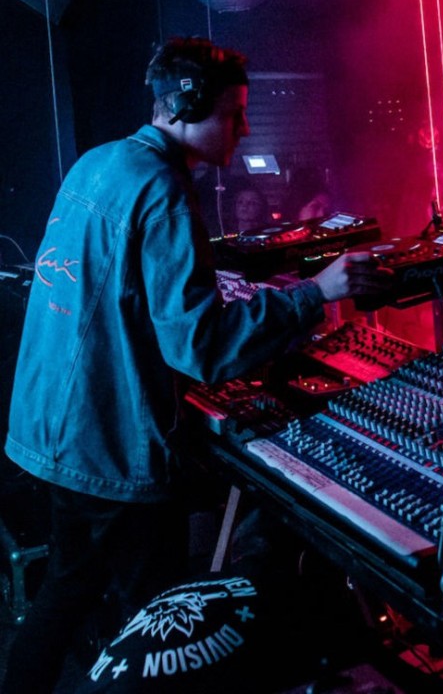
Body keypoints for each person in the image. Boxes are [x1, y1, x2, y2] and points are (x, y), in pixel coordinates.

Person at [2, 37, 390, 694]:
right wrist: (314, 294)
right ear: (186, 106)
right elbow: (201, 348)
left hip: (53, 430)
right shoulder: (162, 187)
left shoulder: (99, 162)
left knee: (65, 591)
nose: (245, 128)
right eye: (234, 113)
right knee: (165, 628)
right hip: (108, 448)